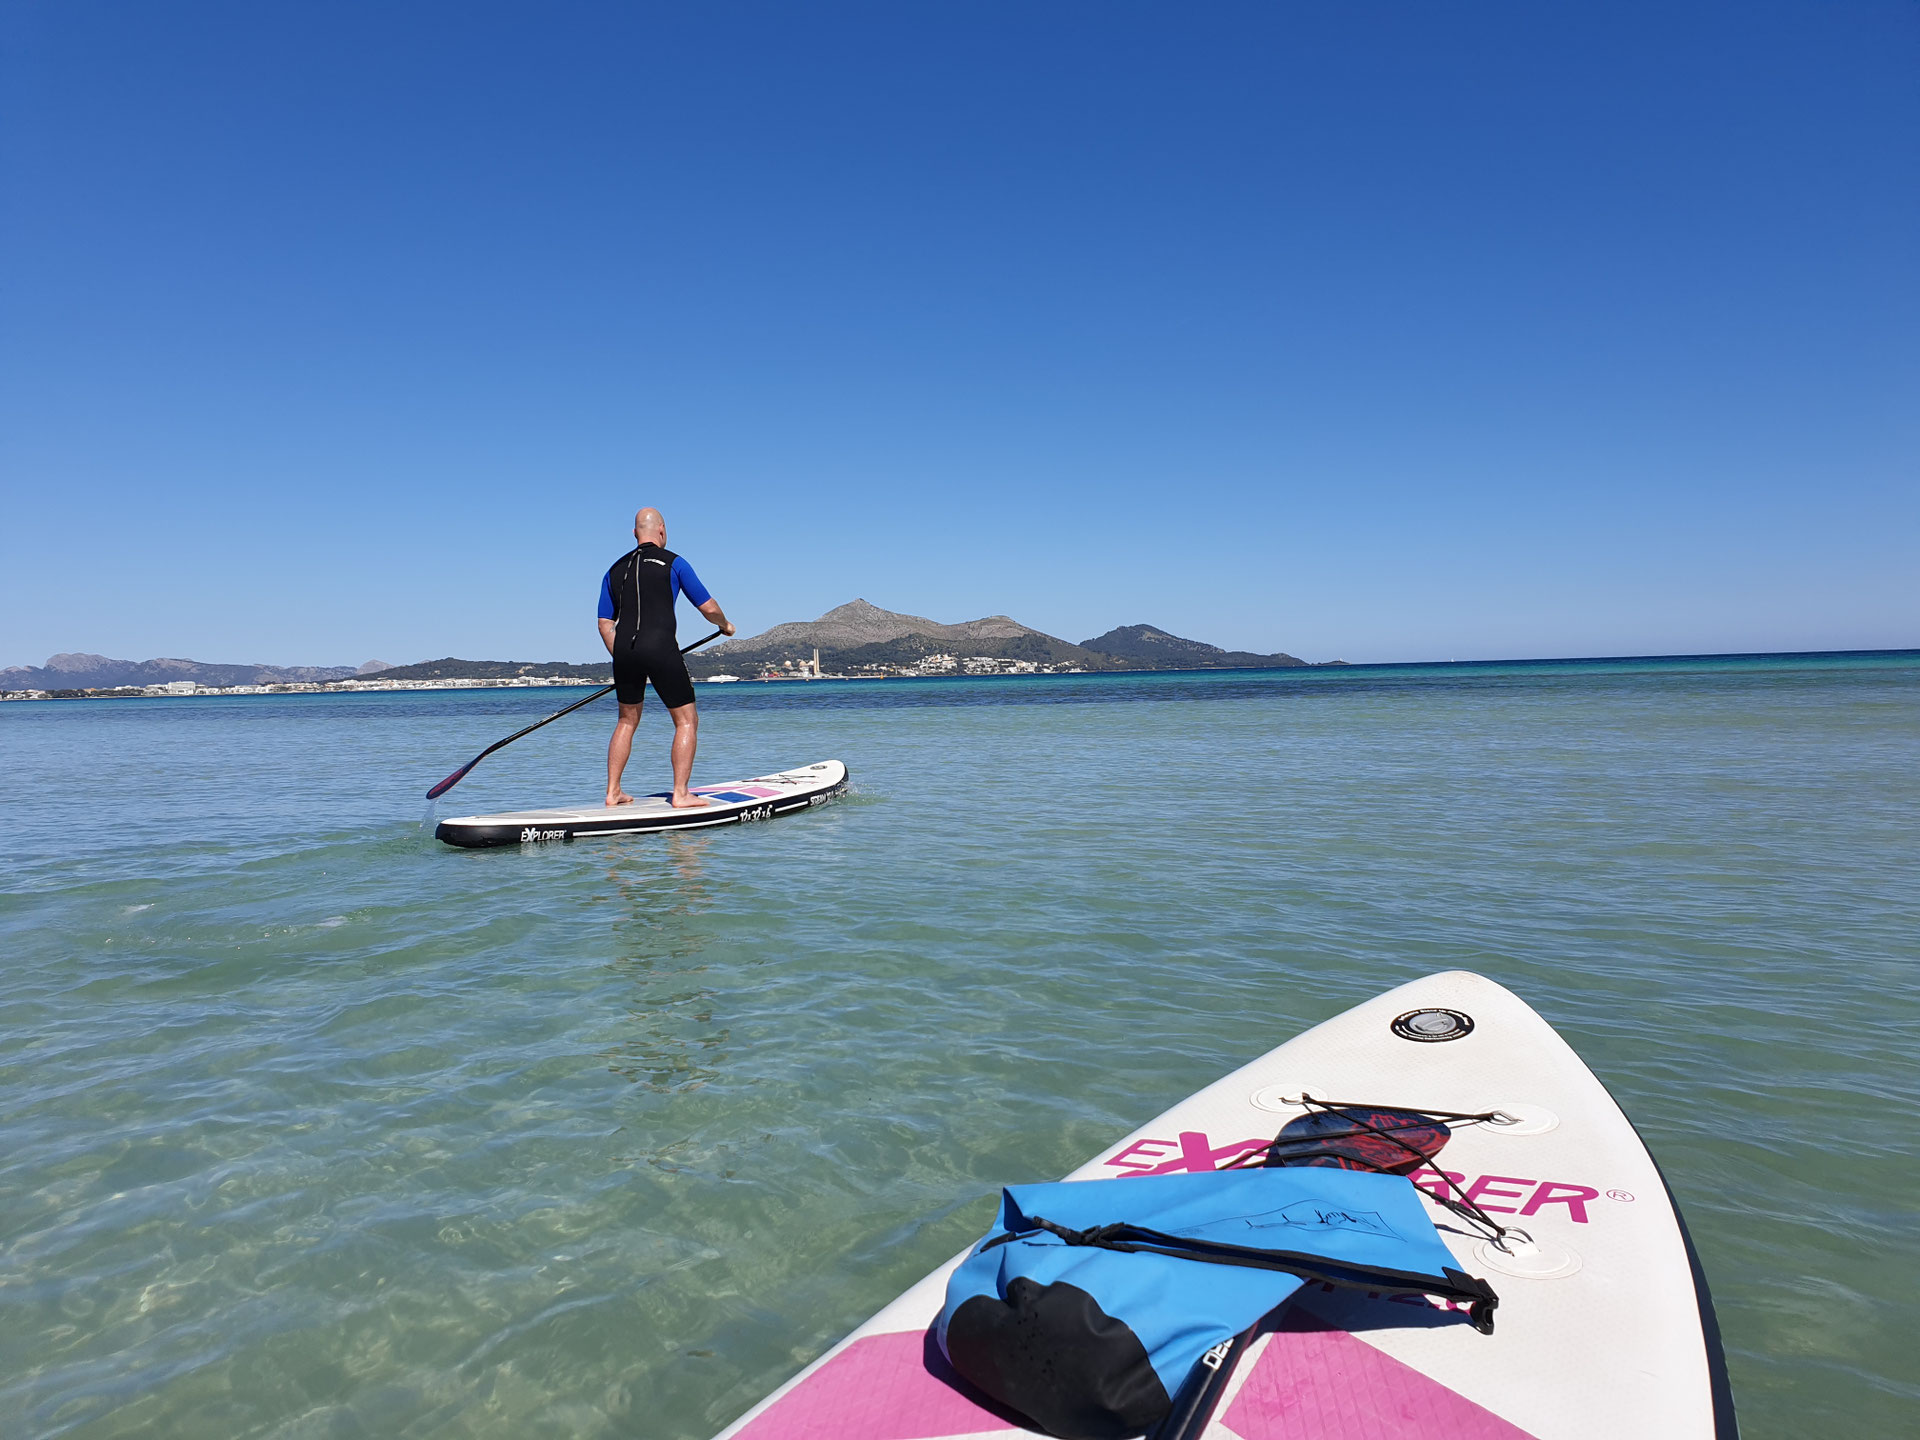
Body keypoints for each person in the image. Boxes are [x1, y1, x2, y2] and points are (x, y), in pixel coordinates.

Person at [597, 508, 734, 807]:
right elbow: (708, 607)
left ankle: (612, 792)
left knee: (626, 721)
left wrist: (624, 656)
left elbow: (604, 623)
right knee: (686, 721)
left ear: (635, 534)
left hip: (624, 653)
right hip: (660, 648)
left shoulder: (613, 570)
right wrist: (725, 625)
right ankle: (681, 794)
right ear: (661, 530)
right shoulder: (673, 562)